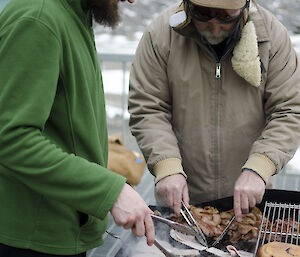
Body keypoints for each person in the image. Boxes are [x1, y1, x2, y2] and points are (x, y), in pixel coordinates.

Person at [0, 0, 155, 256]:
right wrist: (110, 191)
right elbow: (11, 137)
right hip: (32, 238)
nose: (131, 0)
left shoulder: (74, 13)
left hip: (63, 224)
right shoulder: (37, 18)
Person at [128, 0, 300, 222]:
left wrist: (260, 167)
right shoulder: (161, 34)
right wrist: (166, 166)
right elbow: (148, 107)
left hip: (251, 198)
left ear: (245, 7)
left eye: (226, 16)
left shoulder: (271, 37)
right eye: (203, 14)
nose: (215, 27)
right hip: (183, 198)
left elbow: (288, 111)